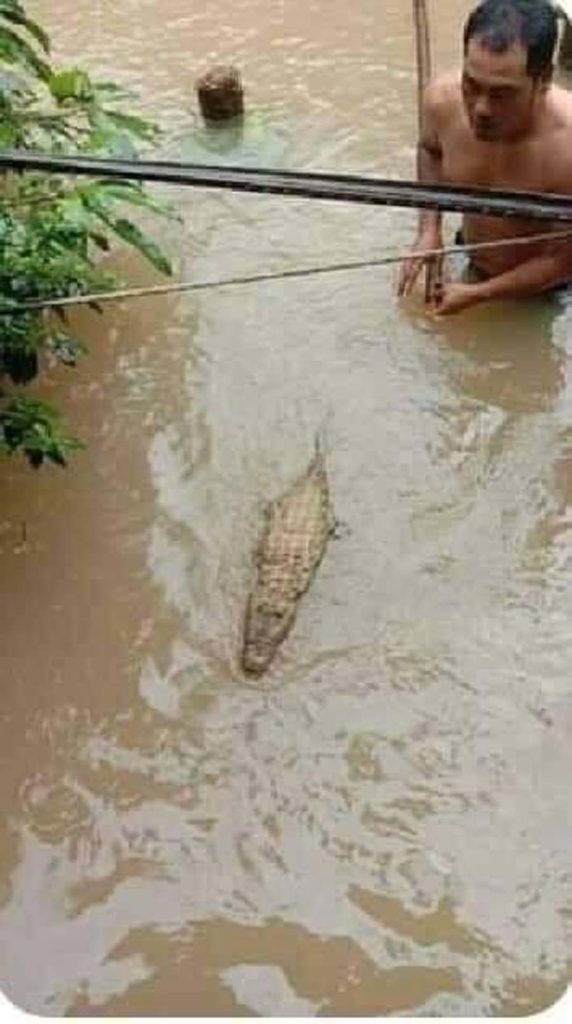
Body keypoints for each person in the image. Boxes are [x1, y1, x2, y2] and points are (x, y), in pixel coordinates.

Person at [398, 0, 572, 315]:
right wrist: (429, 229)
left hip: (549, 289)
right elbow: (429, 149)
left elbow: (561, 262)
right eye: (471, 85)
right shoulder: (441, 101)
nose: (481, 109)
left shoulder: (568, 148)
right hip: (473, 256)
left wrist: (478, 294)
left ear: (543, 81)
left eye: (502, 94)